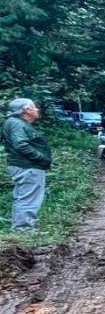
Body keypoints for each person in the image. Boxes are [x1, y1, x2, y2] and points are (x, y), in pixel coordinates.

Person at [2, 99, 52, 231]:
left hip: (25, 166)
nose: (37, 110)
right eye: (34, 107)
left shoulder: (15, 123)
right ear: (27, 110)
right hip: (28, 167)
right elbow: (21, 145)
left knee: (24, 196)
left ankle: (21, 227)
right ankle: (24, 229)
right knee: (28, 198)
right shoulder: (17, 124)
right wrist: (41, 158)